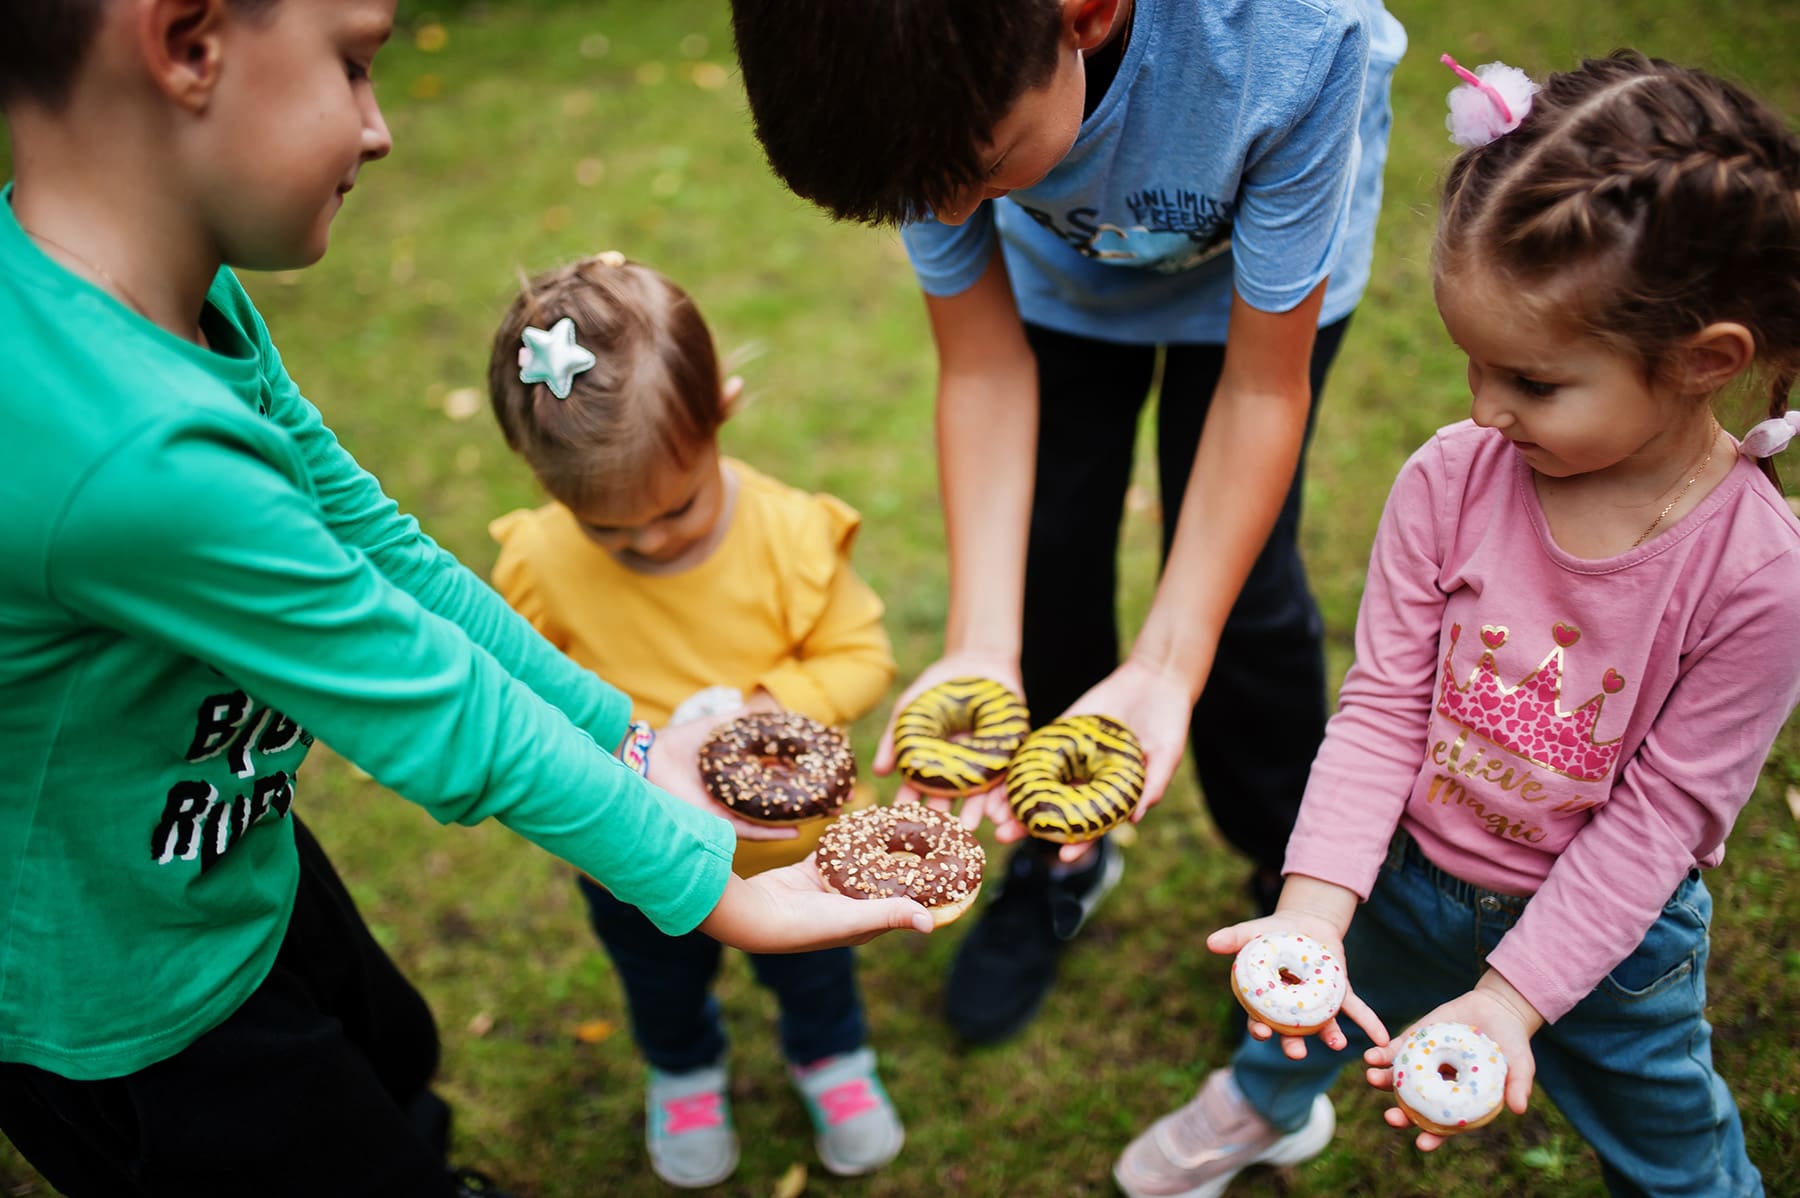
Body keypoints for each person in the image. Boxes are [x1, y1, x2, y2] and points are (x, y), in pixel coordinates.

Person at [0, 3, 932, 1196]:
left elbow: (388, 557)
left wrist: (635, 741)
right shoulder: (133, 459)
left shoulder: (184, 303)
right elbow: (436, 710)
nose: (380, 128)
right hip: (115, 996)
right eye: (352, 64)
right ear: (187, 44)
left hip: (216, 856)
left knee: (385, 1056)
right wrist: (713, 889)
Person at [1114, 50, 1800, 1197]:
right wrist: (1312, 910)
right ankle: (1264, 1109)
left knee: (1671, 1145)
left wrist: (1512, 997)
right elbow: (1383, 706)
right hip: (1399, 868)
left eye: (1530, 381)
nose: (1486, 407)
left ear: (1703, 360)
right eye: (1472, 365)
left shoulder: (1760, 578)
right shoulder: (1452, 479)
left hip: (1609, 944)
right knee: (1307, 1014)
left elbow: (1659, 822)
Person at [727, 0, 1408, 1043]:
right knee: (1051, 550)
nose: (948, 212)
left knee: (1244, 592)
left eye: (983, 171)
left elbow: (1261, 395)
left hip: (1264, 278)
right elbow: (986, 369)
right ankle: (1062, 851)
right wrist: (978, 643)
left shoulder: (1297, 39)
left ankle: (1294, 886)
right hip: (1066, 284)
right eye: (919, 198)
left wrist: (1172, 662)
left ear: (1084, 16)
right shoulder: (907, 90)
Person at [486, 253, 907, 1187]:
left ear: (723, 409)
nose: (648, 541)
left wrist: (767, 710)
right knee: (659, 979)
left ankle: (831, 1058)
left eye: (675, 509)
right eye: (608, 529)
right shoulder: (541, 567)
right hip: (631, 849)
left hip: (790, 848)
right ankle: (684, 1071)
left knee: (814, 968)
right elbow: (528, 696)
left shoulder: (788, 537)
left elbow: (860, 656)